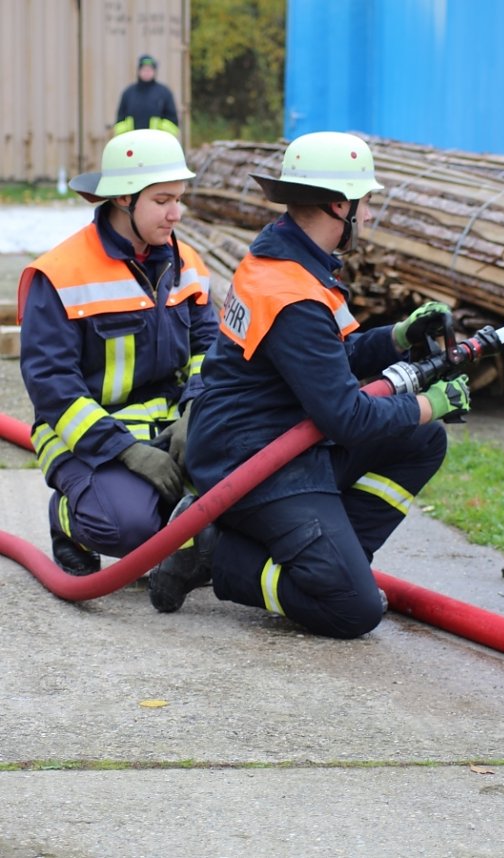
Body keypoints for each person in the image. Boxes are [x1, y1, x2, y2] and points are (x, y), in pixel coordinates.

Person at [148, 131, 471, 639]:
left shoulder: (292, 263)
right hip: (255, 464)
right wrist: (430, 403)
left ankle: (338, 563)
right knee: (353, 611)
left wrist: (398, 336)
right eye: (364, 205)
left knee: (422, 442)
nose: (367, 217)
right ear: (340, 205)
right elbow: (347, 416)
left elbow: (331, 356)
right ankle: (218, 556)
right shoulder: (292, 292)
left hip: (279, 441)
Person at [18, 129, 219, 575]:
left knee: (248, 499)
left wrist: (196, 412)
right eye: (163, 200)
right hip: (86, 436)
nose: (176, 214)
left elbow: (211, 350)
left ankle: (179, 528)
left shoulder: (185, 263)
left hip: (172, 425)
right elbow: (53, 389)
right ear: (124, 198)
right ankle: (69, 520)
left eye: (179, 199)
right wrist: (126, 451)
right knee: (125, 528)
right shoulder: (62, 274)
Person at [114, 54, 179, 137]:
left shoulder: (164, 92)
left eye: (150, 70)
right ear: (139, 71)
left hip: (157, 142)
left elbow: (173, 123)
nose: (147, 72)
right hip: (133, 142)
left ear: (154, 71)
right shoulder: (128, 93)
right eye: (144, 69)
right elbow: (120, 122)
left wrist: (160, 133)